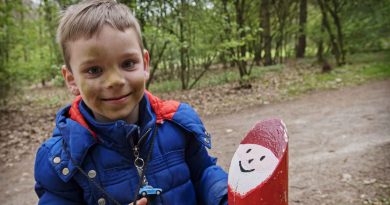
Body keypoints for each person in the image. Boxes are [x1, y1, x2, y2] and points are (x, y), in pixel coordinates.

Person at [33, 0, 228, 204]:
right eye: (94, 70)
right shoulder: (61, 159)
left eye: (128, 63)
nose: (115, 81)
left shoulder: (177, 123)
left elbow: (204, 173)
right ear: (72, 79)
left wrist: (224, 196)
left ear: (144, 64)